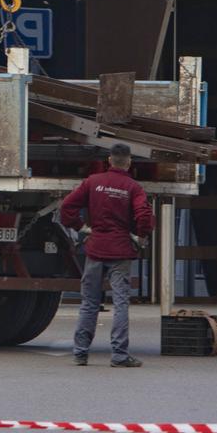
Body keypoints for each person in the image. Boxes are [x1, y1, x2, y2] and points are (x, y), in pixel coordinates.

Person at [58, 143, 155, 368]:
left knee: (89, 303)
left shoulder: (93, 182)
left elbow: (66, 208)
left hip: (96, 248)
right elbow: (144, 215)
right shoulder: (133, 187)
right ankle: (119, 355)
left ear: (109, 161)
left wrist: (81, 227)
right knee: (121, 303)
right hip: (120, 251)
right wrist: (141, 237)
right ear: (129, 163)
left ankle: (80, 353)